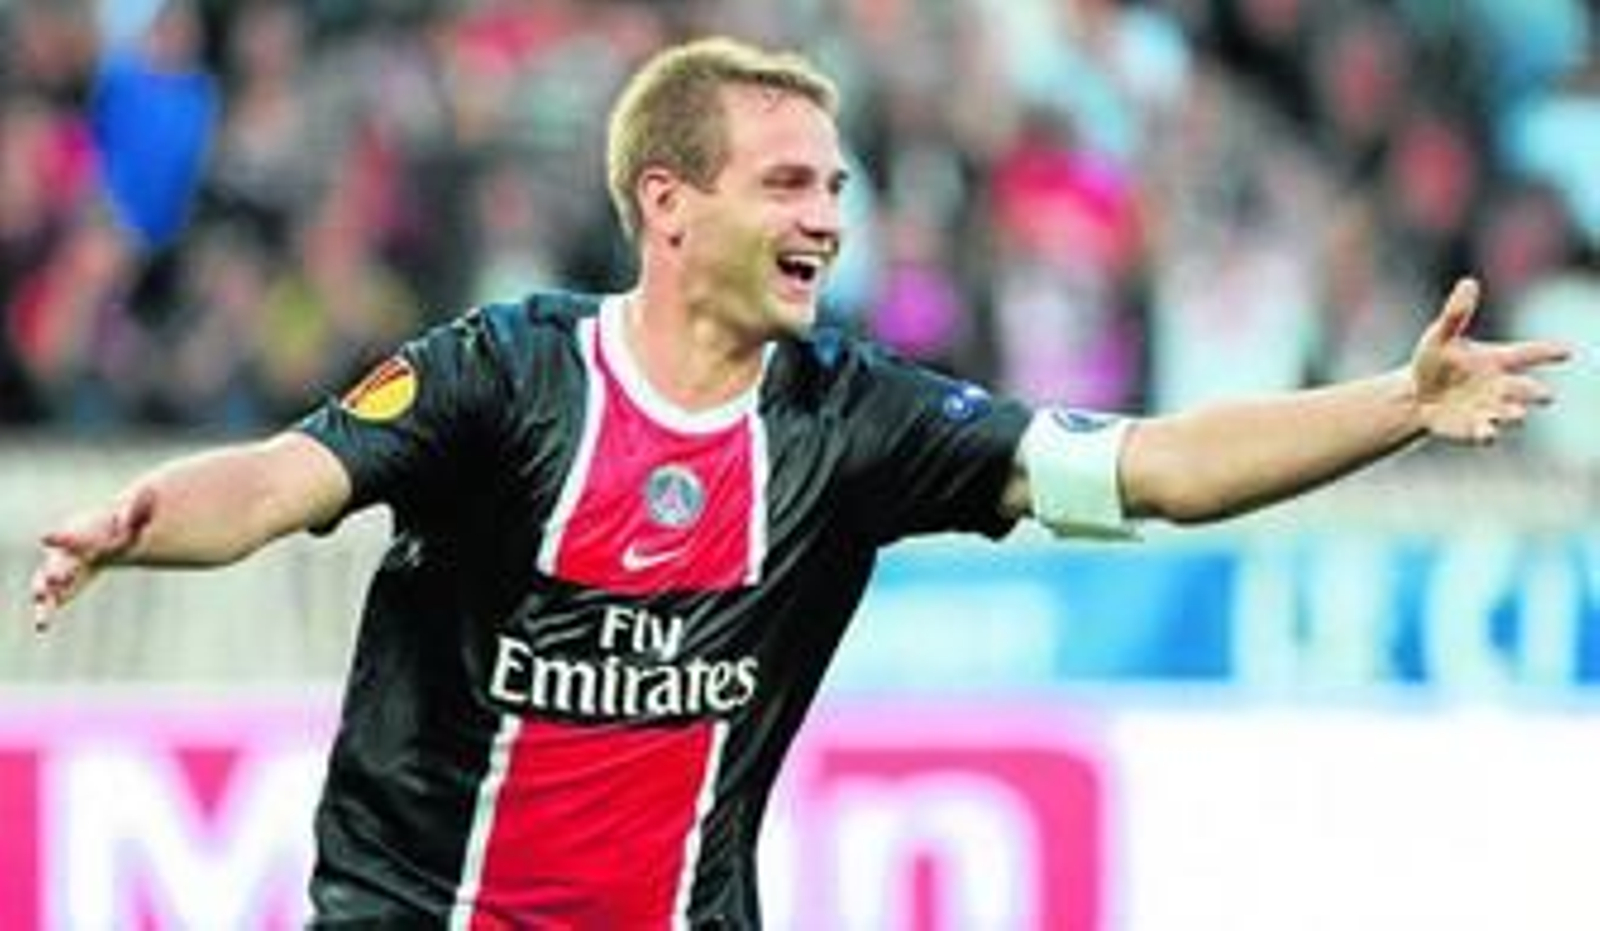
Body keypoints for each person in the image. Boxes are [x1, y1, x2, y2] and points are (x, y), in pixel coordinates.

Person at [28, 36, 1569, 928]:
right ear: (666, 204)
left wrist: (1394, 404)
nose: (828, 213)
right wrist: (151, 522)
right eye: (786, 181)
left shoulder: (859, 421)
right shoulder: (501, 375)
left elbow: (1149, 470)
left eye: (835, 182)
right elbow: (287, 481)